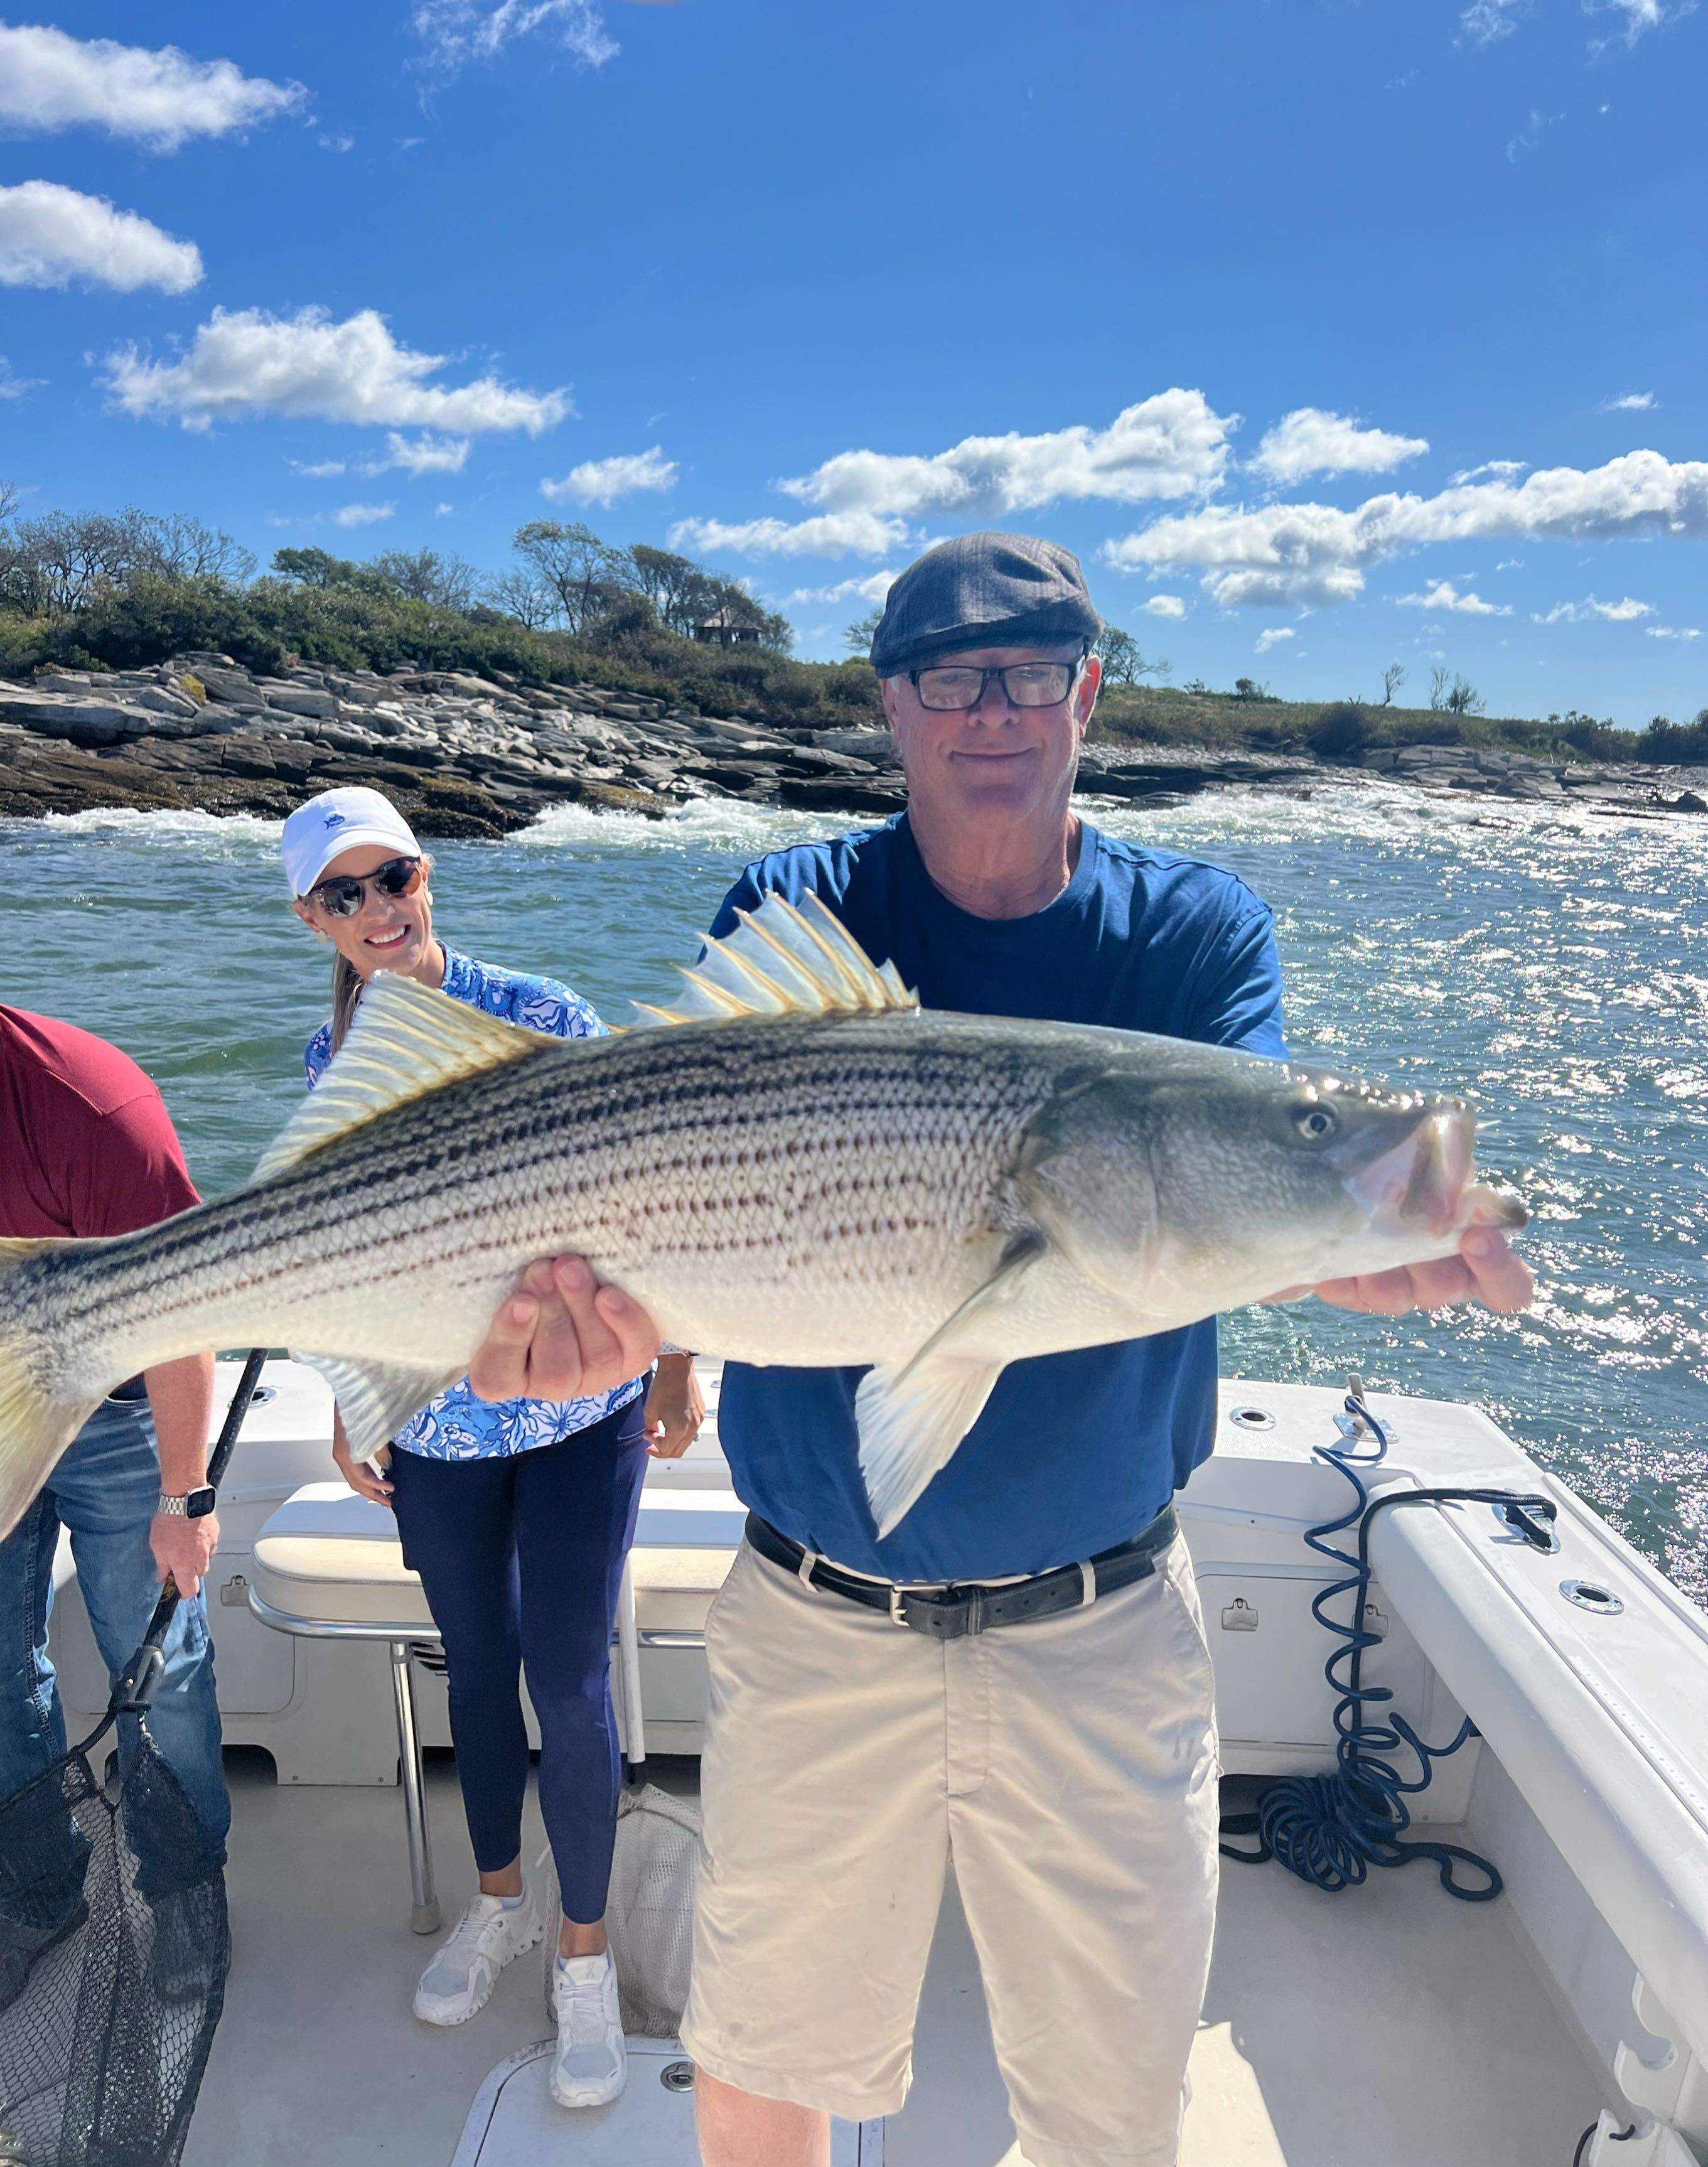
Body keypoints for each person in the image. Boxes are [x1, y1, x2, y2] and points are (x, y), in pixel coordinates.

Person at [452, 533, 1535, 2167]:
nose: (994, 708)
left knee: (1114, 2111)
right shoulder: (799, 904)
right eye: (951, 674)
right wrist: (576, 1343)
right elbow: (671, 1226)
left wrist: (1337, 1231)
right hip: (817, 1619)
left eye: (1034, 669)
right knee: (761, 2071)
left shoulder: (1193, 936)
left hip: (1102, 1634)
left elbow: (1231, 1162)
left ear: (1088, 690)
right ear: (892, 702)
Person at [282, 786, 703, 2112]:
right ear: (312, 918)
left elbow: (669, 1198)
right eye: (342, 894)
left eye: (392, 876)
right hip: (438, 1426)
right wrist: (354, 1403)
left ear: (427, 874)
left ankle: (582, 1956)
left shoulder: (549, 1013)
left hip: (581, 1418)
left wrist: (682, 1364)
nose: (376, 910)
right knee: (477, 1668)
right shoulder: (325, 1058)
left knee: (572, 1680)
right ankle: (500, 1901)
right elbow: (344, 1252)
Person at [0, 1006, 226, 1918]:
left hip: (119, 1405)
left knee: (160, 1663)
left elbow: (181, 1309)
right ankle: (39, 1886)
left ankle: (182, 1891)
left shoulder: (88, 1104)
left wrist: (186, 1493)